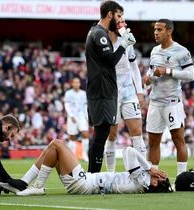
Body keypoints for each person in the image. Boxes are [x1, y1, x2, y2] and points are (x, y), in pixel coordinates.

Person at [0, 139, 172, 196]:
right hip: (85, 181)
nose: (160, 173)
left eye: (160, 177)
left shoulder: (142, 181)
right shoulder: (144, 182)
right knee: (52, 150)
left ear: (155, 183)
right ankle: (22, 183)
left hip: (85, 183)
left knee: (57, 144)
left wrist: (149, 167)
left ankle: (37, 187)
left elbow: (128, 151)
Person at [85, 0, 136, 173]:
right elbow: (110, 61)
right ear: (110, 14)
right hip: (102, 90)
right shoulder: (99, 33)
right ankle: (93, 177)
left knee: (100, 134)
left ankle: (92, 176)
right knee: (101, 135)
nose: (120, 20)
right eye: (119, 15)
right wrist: (124, 44)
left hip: (100, 89)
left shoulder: (98, 31)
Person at [143, 19, 194, 176]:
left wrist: (169, 71)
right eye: (155, 30)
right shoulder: (154, 51)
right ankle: (154, 178)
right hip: (155, 102)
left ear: (169, 31)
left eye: (159, 30)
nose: (156, 33)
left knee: (178, 140)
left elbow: (191, 75)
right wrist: (148, 78)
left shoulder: (182, 51)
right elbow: (152, 73)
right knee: (153, 142)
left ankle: (181, 177)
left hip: (172, 102)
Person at [105, 19, 146, 172]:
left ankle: (143, 172)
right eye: (121, 24)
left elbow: (134, 67)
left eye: (124, 24)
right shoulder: (104, 42)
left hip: (129, 92)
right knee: (111, 136)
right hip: (112, 93)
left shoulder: (127, 42)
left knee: (137, 133)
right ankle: (110, 173)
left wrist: (139, 91)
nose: (125, 27)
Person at [64, 77, 89, 161]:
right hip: (72, 118)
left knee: (85, 134)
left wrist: (87, 117)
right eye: (74, 82)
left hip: (81, 117)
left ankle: (84, 155)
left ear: (79, 84)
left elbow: (85, 106)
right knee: (72, 137)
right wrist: (71, 115)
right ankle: (72, 156)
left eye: (77, 82)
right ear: (72, 84)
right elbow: (67, 105)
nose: (76, 84)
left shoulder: (83, 93)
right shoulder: (68, 93)